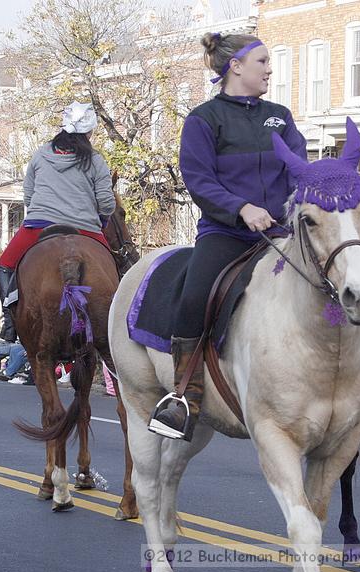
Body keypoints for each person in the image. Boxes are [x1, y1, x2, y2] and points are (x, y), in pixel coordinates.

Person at [147, 32, 307, 442]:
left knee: (335, 280)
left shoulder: (280, 116)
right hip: (226, 233)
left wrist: (302, 202)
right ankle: (184, 394)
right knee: (194, 297)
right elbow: (198, 179)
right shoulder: (204, 118)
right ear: (235, 66)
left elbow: (298, 168)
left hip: (282, 232)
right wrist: (241, 208)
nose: (270, 69)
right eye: (263, 62)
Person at [0, 102, 116, 343]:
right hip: (86, 228)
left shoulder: (41, 154)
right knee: (117, 268)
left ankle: (9, 323)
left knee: (4, 265)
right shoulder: (95, 160)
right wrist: (100, 219)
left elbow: (28, 195)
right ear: (88, 132)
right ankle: (119, 321)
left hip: (40, 225)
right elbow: (107, 204)